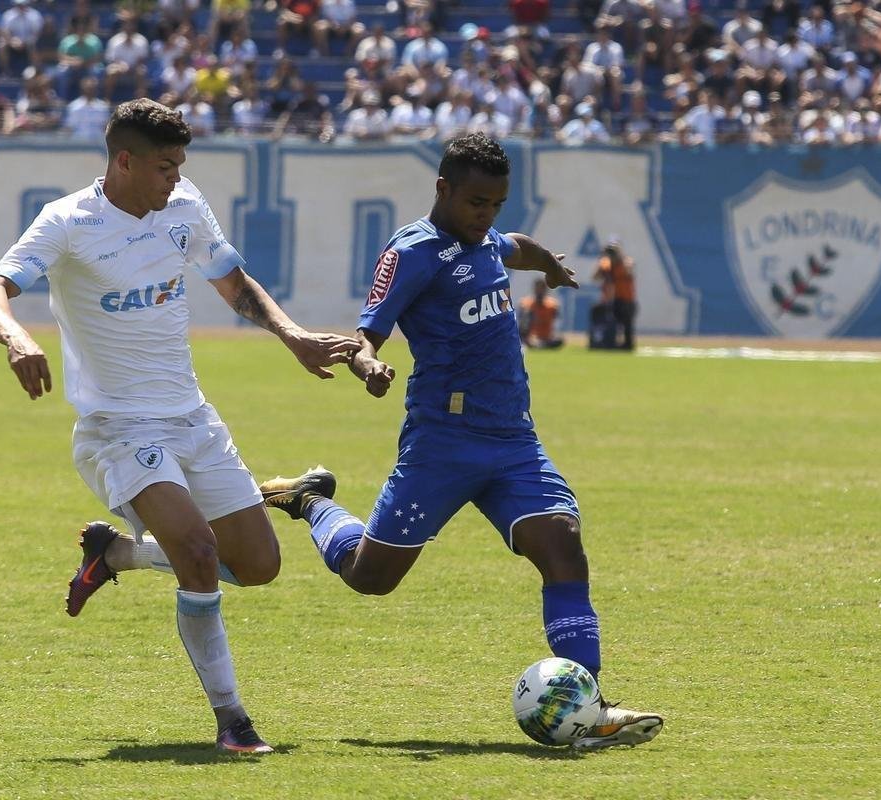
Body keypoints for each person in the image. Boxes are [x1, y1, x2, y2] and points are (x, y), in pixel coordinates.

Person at [0, 98, 360, 753]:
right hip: (118, 430)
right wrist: (15, 339)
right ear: (123, 161)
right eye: (162, 166)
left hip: (192, 419)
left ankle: (118, 553)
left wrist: (292, 336)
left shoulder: (184, 207)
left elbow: (232, 283)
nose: (174, 176)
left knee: (258, 566)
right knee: (201, 557)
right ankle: (233, 722)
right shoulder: (67, 222)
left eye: (179, 164)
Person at [257, 134, 663, 750]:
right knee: (371, 578)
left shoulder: (487, 239)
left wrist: (549, 262)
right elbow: (369, 331)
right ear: (442, 189)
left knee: (563, 550)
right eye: (476, 202)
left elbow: (513, 246)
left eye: (496, 204)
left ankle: (590, 706)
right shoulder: (413, 253)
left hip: (512, 440)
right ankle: (313, 502)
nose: (486, 216)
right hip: (442, 441)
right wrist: (369, 366)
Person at [593, 239, 637, 350]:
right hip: (613, 299)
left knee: (627, 323)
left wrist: (617, 260)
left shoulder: (625, 262)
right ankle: (608, 341)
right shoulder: (606, 264)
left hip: (627, 299)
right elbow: (596, 277)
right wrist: (603, 263)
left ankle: (628, 345)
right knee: (609, 322)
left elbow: (628, 269)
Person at [518, 278, 564, 349]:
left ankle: (540, 345)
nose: (540, 291)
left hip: (547, 337)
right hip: (531, 337)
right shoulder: (526, 304)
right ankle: (535, 344)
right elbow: (522, 325)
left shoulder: (553, 305)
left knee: (559, 340)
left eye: (542, 289)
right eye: (538, 288)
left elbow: (558, 323)